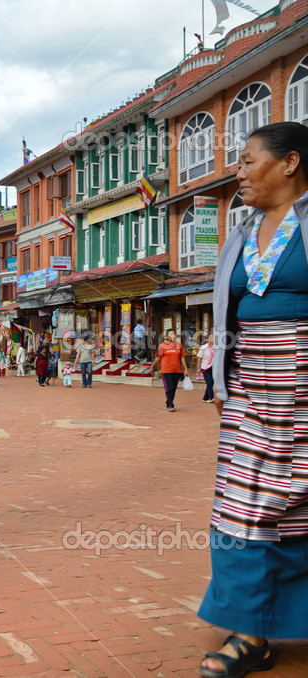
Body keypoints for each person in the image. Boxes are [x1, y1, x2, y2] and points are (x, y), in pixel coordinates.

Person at [198, 122, 308, 677]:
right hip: (251, 389)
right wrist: (220, 376)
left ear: (289, 163)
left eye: (246, 161)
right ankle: (251, 632)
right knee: (245, 505)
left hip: (305, 384)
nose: (237, 172)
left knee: (301, 502)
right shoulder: (240, 233)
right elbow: (225, 313)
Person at [149, 328, 188, 412]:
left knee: (173, 388)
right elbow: (158, 358)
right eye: (171, 334)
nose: (173, 335)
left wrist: (185, 369)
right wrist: (152, 367)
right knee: (169, 387)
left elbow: (182, 358)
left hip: (177, 370)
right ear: (167, 336)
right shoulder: (162, 346)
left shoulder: (179, 345)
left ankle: (168, 402)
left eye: (174, 334)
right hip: (166, 371)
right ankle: (171, 405)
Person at [197, 335, 215, 403]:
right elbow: (199, 358)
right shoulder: (203, 347)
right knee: (209, 382)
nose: (213, 339)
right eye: (211, 338)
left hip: (213, 367)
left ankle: (205, 398)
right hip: (205, 367)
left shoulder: (216, 347)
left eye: (213, 337)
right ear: (208, 340)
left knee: (211, 382)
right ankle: (212, 397)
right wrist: (198, 368)